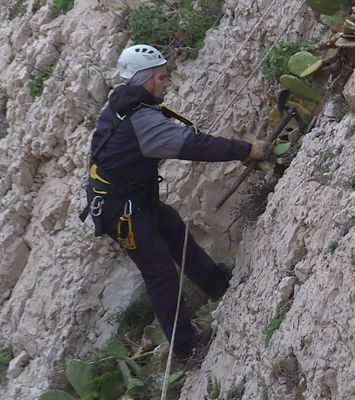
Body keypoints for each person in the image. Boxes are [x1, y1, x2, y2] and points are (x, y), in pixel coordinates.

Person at [82, 44, 271, 361]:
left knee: (170, 226)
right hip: (122, 210)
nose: (167, 82)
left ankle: (216, 283)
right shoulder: (141, 120)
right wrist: (247, 149)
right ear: (146, 80)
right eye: (162, 76)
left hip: (128, 199)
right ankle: (186, 348)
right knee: (159, 273)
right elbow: (193, 145)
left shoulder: (125, 104)